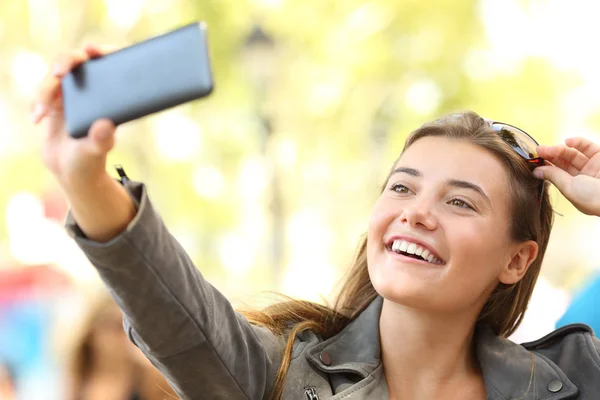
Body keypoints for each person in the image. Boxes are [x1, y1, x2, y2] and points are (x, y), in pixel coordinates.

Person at [31, 45, 600, 400]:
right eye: (402, 186)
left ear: (517, 259)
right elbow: (172, 311)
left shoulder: (577, 379)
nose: (416, 212)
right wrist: (83, 177)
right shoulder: (275, 375)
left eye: (460, 202)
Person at [65, 293, 178, 400]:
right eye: (116, 326)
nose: (124, 336)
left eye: (131, 329)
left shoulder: (151, 380)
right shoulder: (79, 378)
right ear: (92, 332)